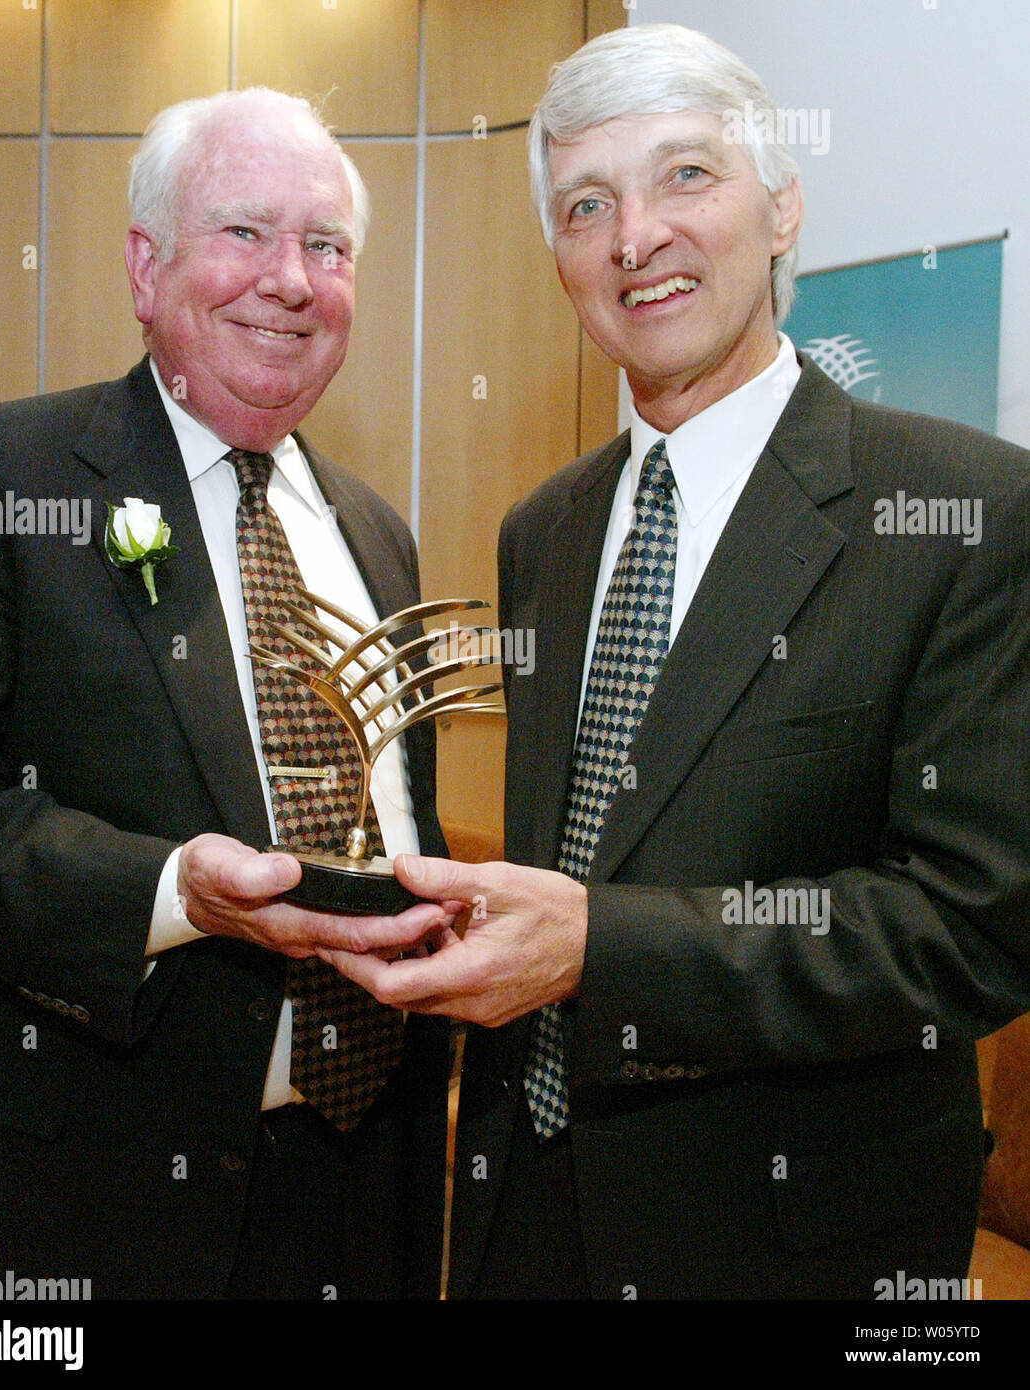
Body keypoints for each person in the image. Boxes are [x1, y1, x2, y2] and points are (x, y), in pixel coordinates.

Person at [321, 25, 1030, 1299]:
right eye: (588, 205)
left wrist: (606, 949)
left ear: (782, 208)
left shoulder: (965, 509)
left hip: (792, 1242)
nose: (633, 235)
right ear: (562, 260)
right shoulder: (544, 529)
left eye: (685, 176)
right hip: (520, 1216)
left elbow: (971, 929)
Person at [0, 87, 453, 1300]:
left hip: (361, 1183)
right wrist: (177, 894)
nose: (289, 279)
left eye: (326, 247)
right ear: (144, 267)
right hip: (94, 1202)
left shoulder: (379, 536)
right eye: (243, 232)